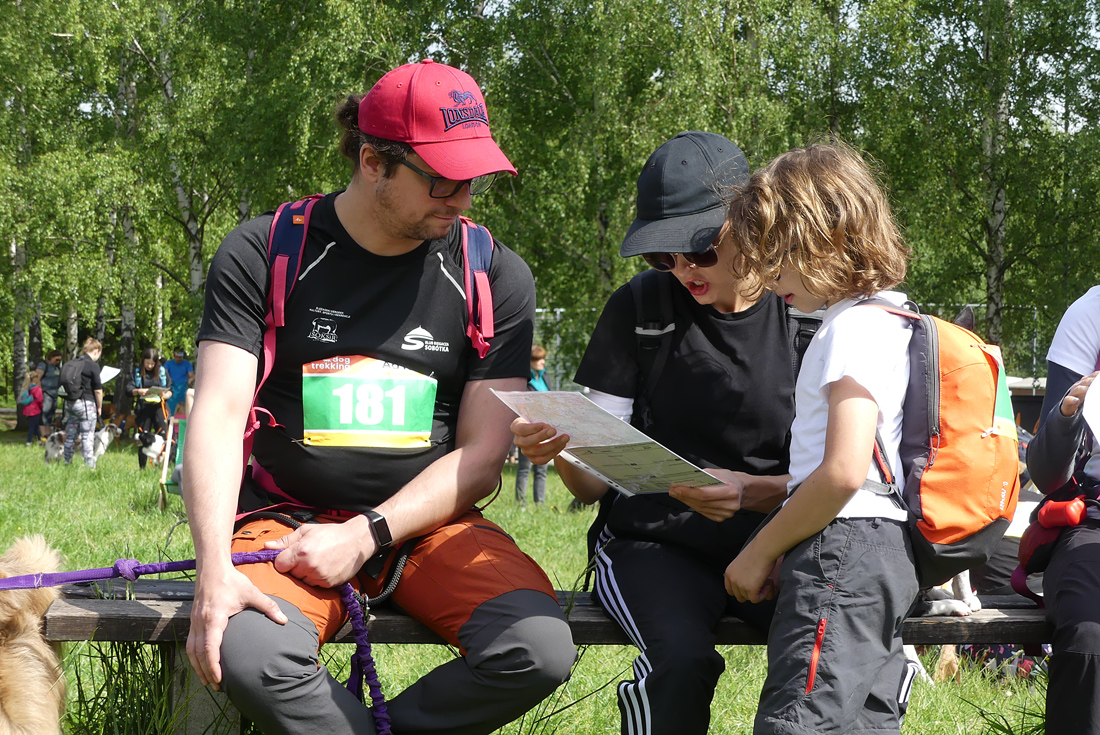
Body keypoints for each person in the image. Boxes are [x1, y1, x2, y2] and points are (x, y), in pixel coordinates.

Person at [183, 60, 575, 735]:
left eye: (474, 179)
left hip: (427, 528)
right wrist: (213, 570)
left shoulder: (495, 274)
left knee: (537, 649)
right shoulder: (263, 251)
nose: (462, 200)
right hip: (284, 523)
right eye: (443, 180)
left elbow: (483, 456)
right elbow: (216, 416)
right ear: (372, 162)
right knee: (253, 658)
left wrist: (366, 533)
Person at [512, 131, 798, 735]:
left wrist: (754, 493)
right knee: (680, 661)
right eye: (660, 256)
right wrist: (561, 448)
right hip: (655, 544)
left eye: (699, 249)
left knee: (821, 658)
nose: (681, 269)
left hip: (785, 535)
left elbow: (852, 474)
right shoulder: (641, 307)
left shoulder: (805, 307)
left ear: (752, 222)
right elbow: (591, 486)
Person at [722, 142, 917, 735]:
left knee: (799, 722)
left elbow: (842, 473)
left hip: (843, 548)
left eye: (776, 256)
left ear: (823, 239)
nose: (766, 276)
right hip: (879, 549)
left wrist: (758, 550)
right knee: (861, 722)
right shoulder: (891, 317)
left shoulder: (851, 330)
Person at [1025, 285, 1100, 733]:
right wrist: (1068, 414)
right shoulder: (1091, 312)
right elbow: (1048, 476)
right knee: (1089, 635)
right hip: (1092, 522)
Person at [515, 345, 550, 506]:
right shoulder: (524, 380)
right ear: (529, 361)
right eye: (537, 359)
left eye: (543, 358)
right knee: (524, 468)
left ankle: (539, 503)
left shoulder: (545, 377)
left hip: (545, 428)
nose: (542, 362)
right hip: (529, 429)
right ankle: (520, 503)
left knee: (542, 469)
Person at [127, 348, 172, 469]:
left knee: (163, 437)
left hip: (159, 408)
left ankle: (162, 467)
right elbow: (128, 390)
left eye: (152, 364)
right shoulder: (137, 372)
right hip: (144, 409)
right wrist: (138, 391)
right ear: (143, 361)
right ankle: (142, 468)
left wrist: (165, 395)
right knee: (143, 438)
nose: (150, 366)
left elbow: (170, 389)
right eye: (147, 363)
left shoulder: (162, 372)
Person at [63, 338, 104, 468]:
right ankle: (89, 466)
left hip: (71, 403)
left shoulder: (72, 363)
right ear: (96, 351)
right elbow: (98, 390)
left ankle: (67, 463)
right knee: (87, 436)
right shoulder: (93, 365)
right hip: (86, 404)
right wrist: (99, 406)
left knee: (71, 435)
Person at [35, 350, 62, 438]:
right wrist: (39, 392)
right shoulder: (43, 365)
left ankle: (49, 434)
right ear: (51, 357)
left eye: (59, 360)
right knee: (44, 414)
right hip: (45, 392)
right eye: (56, 359)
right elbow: (37, 378)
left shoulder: (57, 367)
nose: (57, 362)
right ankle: (43, 435)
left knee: (50, 414)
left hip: (54, 393)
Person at [164, 349, 194, 416]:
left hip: (182, 388)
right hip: (172, 387)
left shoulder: (187, 364)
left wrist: (190, 380)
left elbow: (191, 375)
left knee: (183, 408)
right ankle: (171, 420)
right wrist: (168, 380)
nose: (178, 359)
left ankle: (183, 421)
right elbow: (165, 373)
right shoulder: (168, 363)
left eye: (180, 357)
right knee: (171, 408)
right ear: (174, 356)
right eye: (177, 357)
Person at [20, 372, 44, 445]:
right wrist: (41, 407)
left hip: (27, 409)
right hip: (35, 409)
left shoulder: (26, 388)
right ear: (35, 379)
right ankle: (29, 441)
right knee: (32, 426)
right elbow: (39, 400)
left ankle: (39, 439)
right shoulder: (37, 389)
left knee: (35, 425)